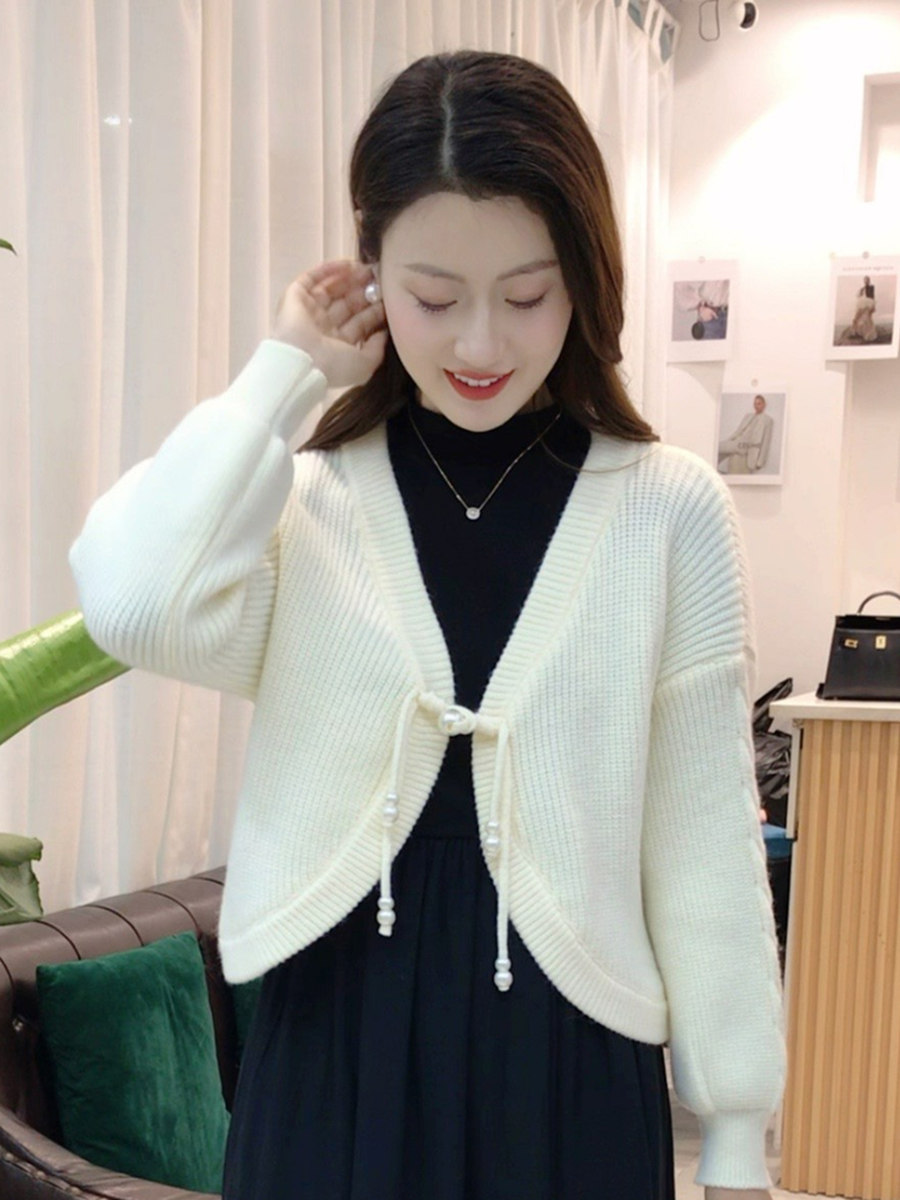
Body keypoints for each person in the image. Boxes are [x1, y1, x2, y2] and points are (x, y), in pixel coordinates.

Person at [69, 50, 784, 1200]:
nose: (481, 346)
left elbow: (700, 831)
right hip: (332, 1045)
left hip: (571, 1053)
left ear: (586, 277)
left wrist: (738, 1130)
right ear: (371, 275)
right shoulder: (303, 501)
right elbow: (135, 601)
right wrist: (283, 374)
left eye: (528, 295)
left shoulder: (667, 510)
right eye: (435, 299)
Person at [718, 394, 774, 475]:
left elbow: (766, 442)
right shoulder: (748, 416)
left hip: (747, 446)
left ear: (764, 404)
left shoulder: (767, 420)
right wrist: (728, 440)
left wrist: (760, 462)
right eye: (755, 404)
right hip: (737, 442)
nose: (756, 406)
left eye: (759, 404)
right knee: (718, 447)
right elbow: (738, 431)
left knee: (719, 449)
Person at [847, 274, 877, 342]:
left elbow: (872, 296)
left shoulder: (871, 287)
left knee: (867, 319)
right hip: (861, 304)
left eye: (867, 280)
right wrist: (861, 293)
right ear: (864, 281)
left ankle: (869, 336)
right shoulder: (862, 289)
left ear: (869, 281)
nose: (866, 281)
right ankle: (855, 332)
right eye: (865, 280)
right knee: (856, 318)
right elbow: (858, 296)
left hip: (868, 304)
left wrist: (873, 306)